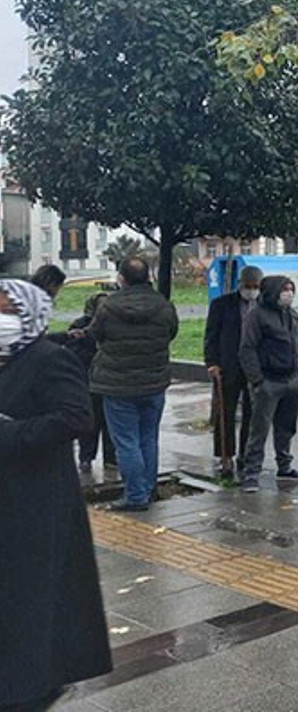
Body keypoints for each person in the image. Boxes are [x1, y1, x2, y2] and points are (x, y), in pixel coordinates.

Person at [0, 279, 112, 710]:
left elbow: (75, 417)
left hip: (36, 500)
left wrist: (9, 433)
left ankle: (35, 683)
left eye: (8, 310)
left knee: (33, 593)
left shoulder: (50, 359)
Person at [90, 257, 179, 512]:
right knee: (148, 439)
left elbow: (96, 334)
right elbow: (171, 333)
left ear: (122, 278)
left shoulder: (108, 306)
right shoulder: (163, 305)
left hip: (118, 385)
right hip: (154, 382)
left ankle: (136, 496)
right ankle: (148, 490)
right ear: (147, 277)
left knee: (127, 442)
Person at [237, 276, 298, 493]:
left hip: (293, 380)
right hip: (268, 381)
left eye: (290, 289)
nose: (288, 293)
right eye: (284, 289)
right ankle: (251, 473)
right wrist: (257, 380)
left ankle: (284, 466)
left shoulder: (293, 316)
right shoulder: (256, 316)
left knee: (287, 427)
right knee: (259, 429)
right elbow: (247, 349)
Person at [204, 265, 263, 477]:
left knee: (252, 414)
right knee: (225, 413)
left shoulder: (264, 305)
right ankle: (225, 456)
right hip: (228, 366)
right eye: (248, 286)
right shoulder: (222, 304)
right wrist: (212, 362)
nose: (251, 290)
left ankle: (246, 456)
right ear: (240, 284)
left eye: (255, 287)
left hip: (254, 368)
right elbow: (211, 335)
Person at [65, 292, 116, 476]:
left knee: (109, 423)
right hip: (89, 380)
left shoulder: (112, 323)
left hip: (105, 380)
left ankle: (111, 459)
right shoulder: (80, 325)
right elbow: (73, 351)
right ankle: (86, 458)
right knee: (90, 423)